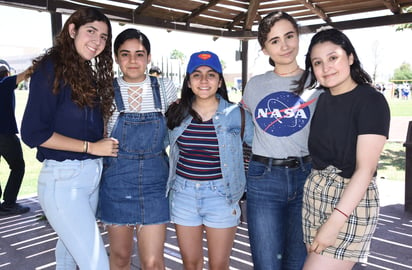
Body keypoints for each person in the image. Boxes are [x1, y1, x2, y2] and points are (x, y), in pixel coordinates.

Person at [21, 7, 117, 270]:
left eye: (104, 37)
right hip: (64, 182)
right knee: (96, 263)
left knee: (69, 257)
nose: (97, 41)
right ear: (72, 30)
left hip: (90, 178)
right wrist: (91, 147)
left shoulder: (85, 72)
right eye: (91, 31)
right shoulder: (51, 69)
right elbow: (33, 132)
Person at [294, 27, 390, 269]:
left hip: (350, 200)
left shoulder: (371, 100)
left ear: (350, 57)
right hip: (315, 195)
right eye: (318, 62)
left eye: (333, 57)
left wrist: (335, 222)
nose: (326, 68)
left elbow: (365, 170)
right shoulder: (322, 99)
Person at [241, 11, 321, 270]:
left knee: (297, 263)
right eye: (274, 41)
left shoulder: (317, 82)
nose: (284, 45)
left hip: (307, 176)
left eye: (289, 36)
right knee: (266, 263)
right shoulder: (255, 86)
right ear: (264, 49)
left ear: (298, 37)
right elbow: (237, 123)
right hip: (264, 179)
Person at [165, 51, 253, 269]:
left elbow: (261, 147)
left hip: (222, 196)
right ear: (188, 82)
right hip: (183, 194)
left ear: (220, 80)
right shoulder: (176, 113)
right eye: (197, 75)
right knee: (191, 264)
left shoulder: (236, 114)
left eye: (211, 75)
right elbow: (158, 145)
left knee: (218, 265)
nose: (204, 80)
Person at [98, 28, 177, 270]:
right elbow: (99, 135)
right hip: (117, 180)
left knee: (153, 262)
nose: (133, 61)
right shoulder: (105, 90)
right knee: (120, 258)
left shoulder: (165, 87)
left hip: (155, 182)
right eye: (125, 54)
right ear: (116, 58)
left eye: (139, 54)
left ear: (149, 57)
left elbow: (176, 131)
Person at [0, 60, 30, 216]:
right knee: (18, 166)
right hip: (4, 134)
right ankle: (9, 203)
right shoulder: (5, 83)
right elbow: (26, 73)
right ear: (7, 74)